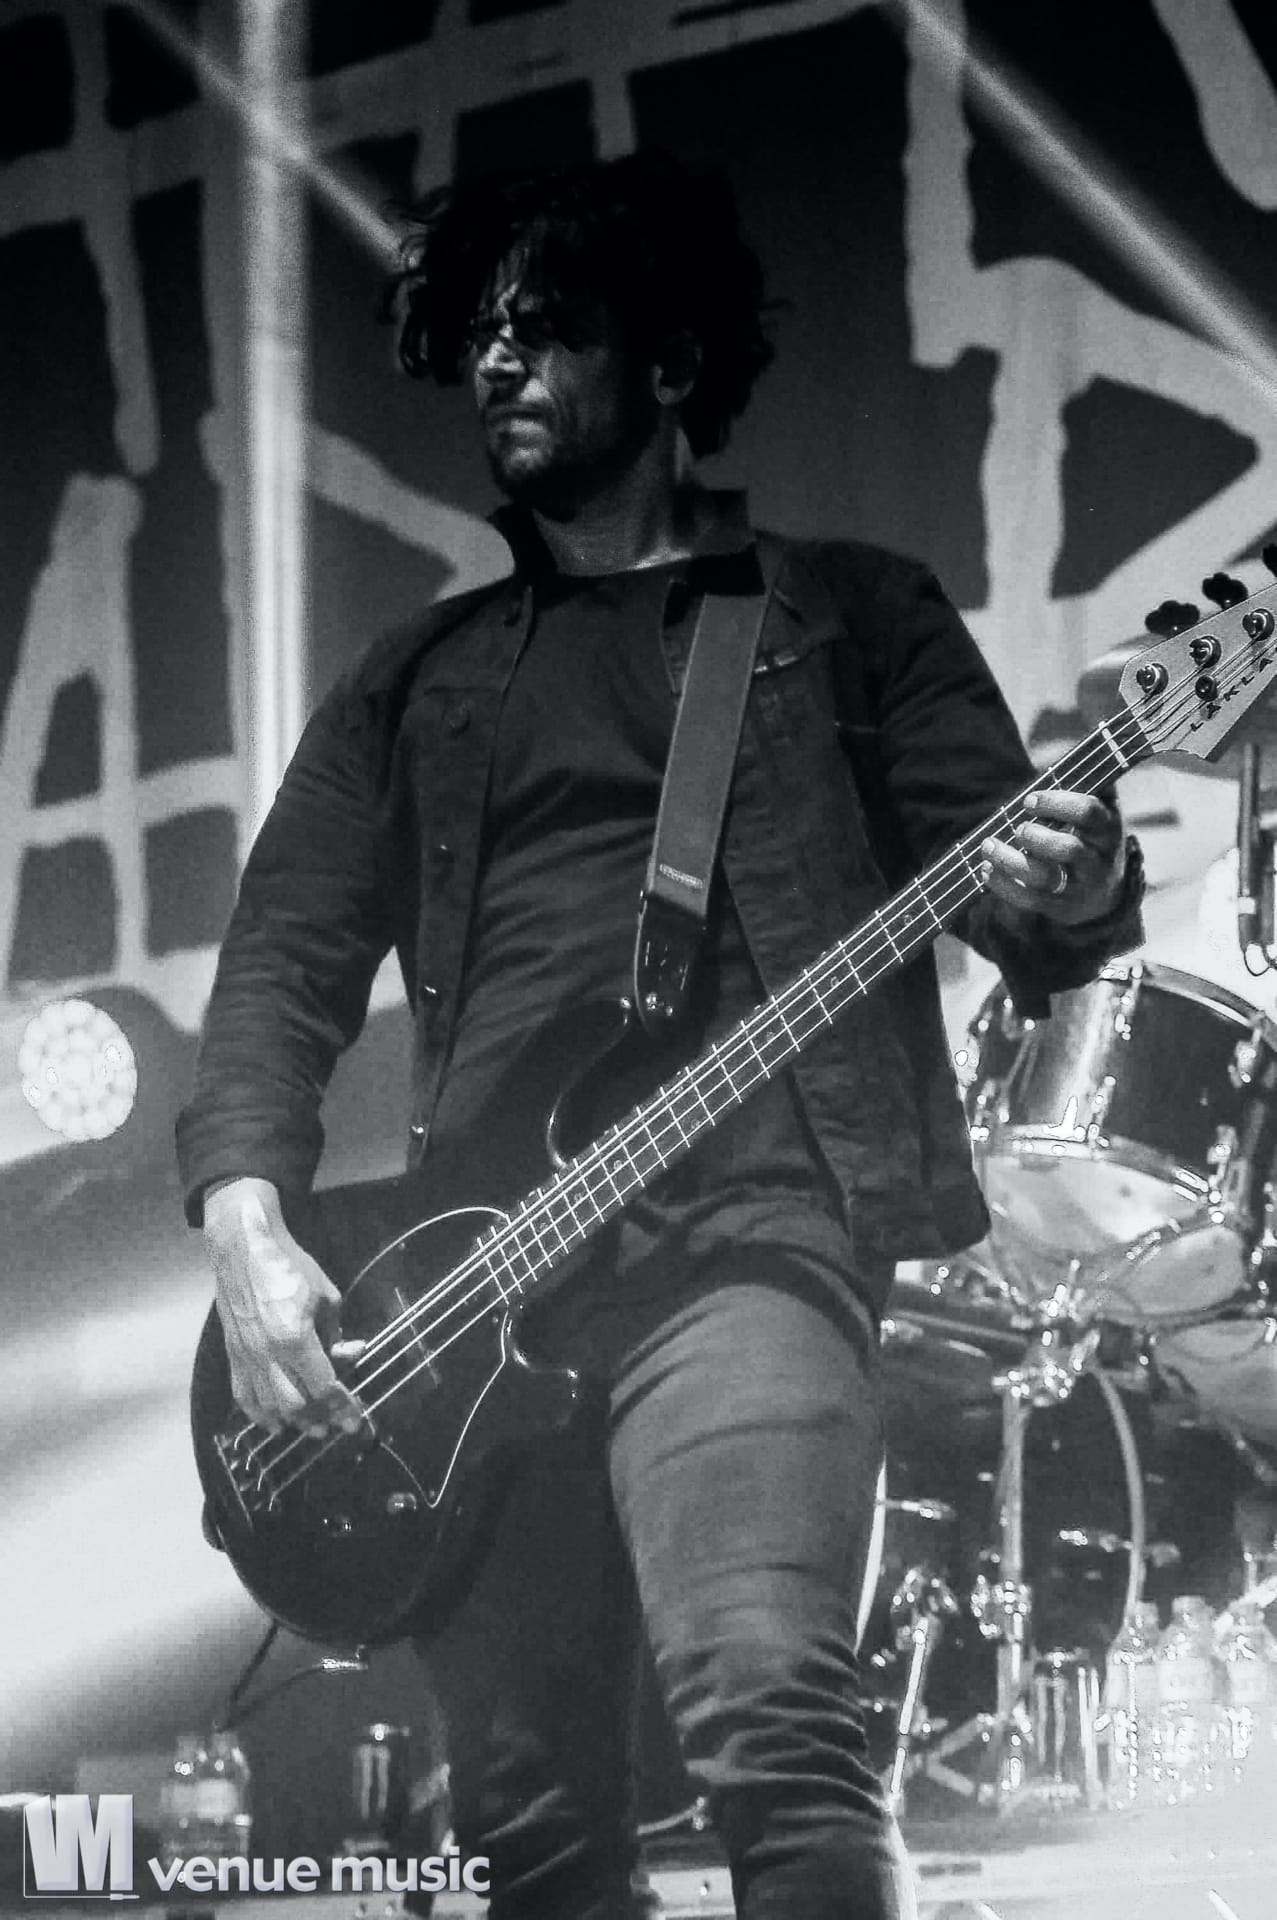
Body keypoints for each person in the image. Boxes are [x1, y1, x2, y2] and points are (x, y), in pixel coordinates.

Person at [177, 151, 1143, 1920]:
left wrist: (1070, 876)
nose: (500, 361)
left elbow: (1022, 889)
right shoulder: (416, 678)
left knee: (770, 1711)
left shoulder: (849, 614)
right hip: (469, 1294)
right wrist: (246, 1224)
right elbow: (281, 963)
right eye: (480, 331)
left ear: (671, 360)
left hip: (748, 1241)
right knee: (532, 1823)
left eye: (549, 327)